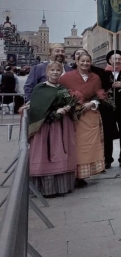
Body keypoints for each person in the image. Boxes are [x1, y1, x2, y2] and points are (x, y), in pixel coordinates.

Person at [26, 61, 77, 196]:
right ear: (47, 72)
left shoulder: (63, 89)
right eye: (52, 70)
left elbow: (70, 105)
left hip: (61, 127)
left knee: (61, 152)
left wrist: (68, 108)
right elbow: (37, 109)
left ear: (61, 73)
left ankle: (62, 187)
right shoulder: (39, 88)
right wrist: (54, 113)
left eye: (58, 70)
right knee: (45, 153)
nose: (55, 72)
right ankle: (46, 189)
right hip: (45, 128)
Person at [59, 54, 105, 188]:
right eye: (82, 61)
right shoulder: (66, 77)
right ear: (77, 62)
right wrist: (71, 103)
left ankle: (83, 175)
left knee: (88, 146)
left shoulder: (95, 77)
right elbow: (60, 94)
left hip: (89, 114)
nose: (85, 63)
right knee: (74, 145)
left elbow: (99, 94)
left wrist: (92, 103)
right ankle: (71, 173)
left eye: (88, 61)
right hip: (73, 116)